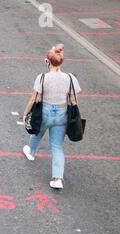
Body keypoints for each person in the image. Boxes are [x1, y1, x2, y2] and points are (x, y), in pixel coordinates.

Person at [23, 44, 82, 189]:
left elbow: (34, 99)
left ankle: (31, 152)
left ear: (48, 61)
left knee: (37, 132)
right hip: (62, 114)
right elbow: (74, 100)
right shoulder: (70, 78)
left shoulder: (42, 78)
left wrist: (25, 114)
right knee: (57, 146)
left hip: (45, 112)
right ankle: (57, 178)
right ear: (61, 61)